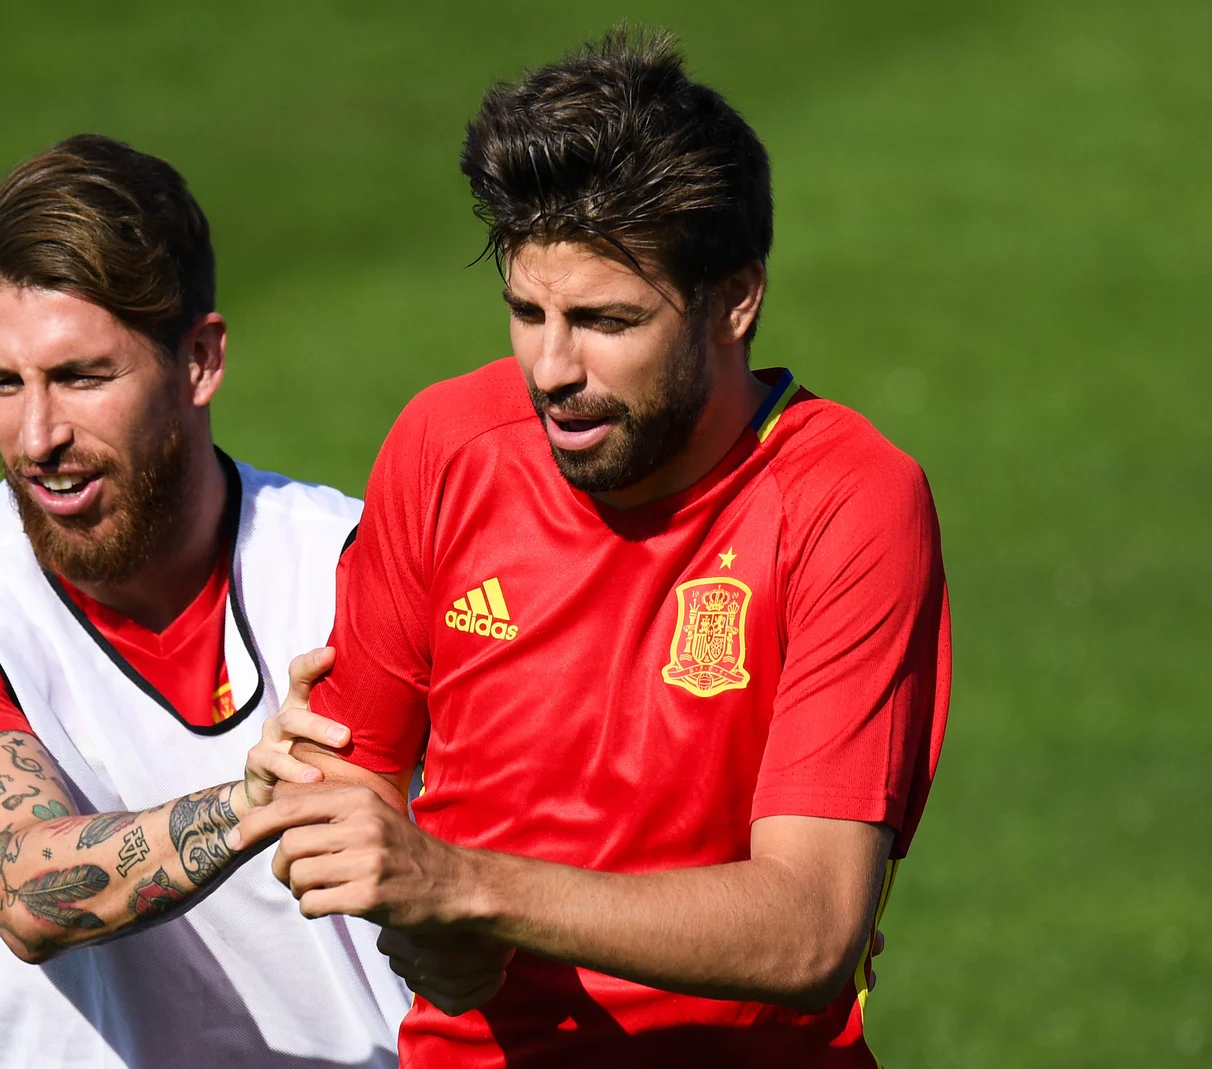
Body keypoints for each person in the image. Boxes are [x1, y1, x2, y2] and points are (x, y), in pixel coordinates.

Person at [233, 27, 952, 1066]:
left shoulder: (848, 500)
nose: (552, 367)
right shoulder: (444, 446)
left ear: (733, 301)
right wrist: (419, 922)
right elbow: (344, 792)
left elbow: (810, 929)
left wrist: (464, 887)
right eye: (527, 311)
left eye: (607, 320)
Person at [0, 135, 407, 1069]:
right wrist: (250, 804)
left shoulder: (358, 567)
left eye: (80, 377)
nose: (37, 437)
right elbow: (24, 886)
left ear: (200, 359)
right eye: (2, 382)